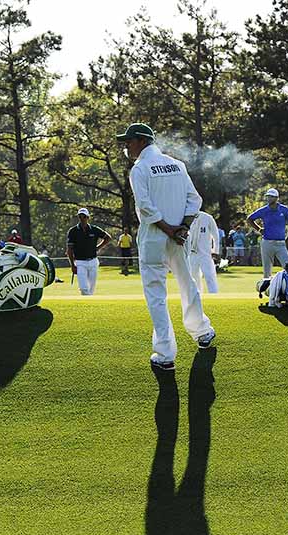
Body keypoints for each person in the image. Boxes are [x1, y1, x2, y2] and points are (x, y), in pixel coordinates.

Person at [117, 122, 215, 371]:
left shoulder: (140, 169)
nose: (126, 145)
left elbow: (146, 206)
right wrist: (182, 227)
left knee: (156, 295)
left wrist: (169, 229)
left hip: (154, 238)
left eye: (129, 141)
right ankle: (202, 331)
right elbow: (195, 200)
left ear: (141, 140)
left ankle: (165, 354)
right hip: (179, 238)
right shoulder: (177, 164)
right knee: (187, 283)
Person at [66, 207, 111, 295]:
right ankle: (86, 302)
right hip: (80, 262)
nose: (82, 219)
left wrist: (98, 247)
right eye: (80, 217)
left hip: (93, 261)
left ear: (88, 217)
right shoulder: (73, 231)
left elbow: (108, 238)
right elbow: (69, 250)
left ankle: (90, 305)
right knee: (83, 288)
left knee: (91, 288)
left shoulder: (94, 229)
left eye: (84, 216)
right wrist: (72, 265)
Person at [188, 210, 220, 294]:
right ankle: (197, 294)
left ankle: (214, 294)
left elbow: (215, 235)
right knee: (193, 276)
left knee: (209, 275)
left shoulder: (207, 218)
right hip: (191, 253)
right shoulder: (186, 218)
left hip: (205, 253)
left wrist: (215, 251)